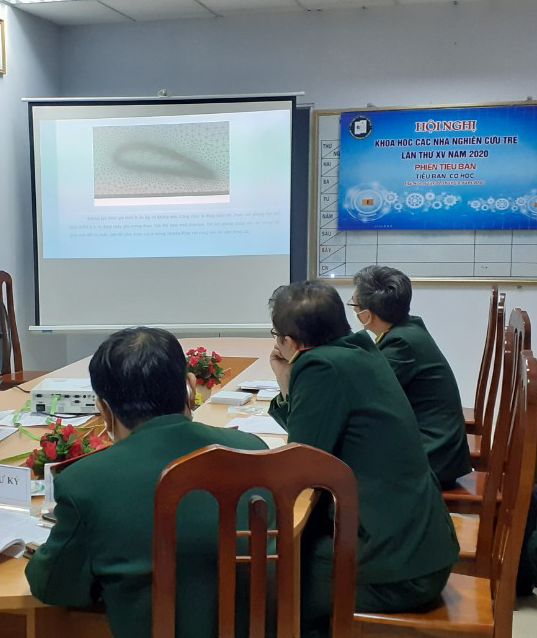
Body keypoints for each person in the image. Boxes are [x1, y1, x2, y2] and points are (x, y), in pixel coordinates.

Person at [25, 327, 269, 638]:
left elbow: (54, 587)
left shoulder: (85, 482)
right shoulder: (252, 450)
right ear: (190, 387)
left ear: (103, 408)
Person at [266, 281, 459, 636]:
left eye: (277, 336)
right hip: (420, 546)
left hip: (397, 568)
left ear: (290, 342)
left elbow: (300, 465)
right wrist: (286, 380)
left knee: (265, 580)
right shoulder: (362, 350)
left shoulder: (320, 366)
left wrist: (287, 376)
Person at [350, 265, 472, 489]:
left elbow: (366, 398)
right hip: (437, 447)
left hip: (433, 456)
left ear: (366, 314)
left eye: (354, 305)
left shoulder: (401, 343)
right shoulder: (407, 330)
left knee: (345, 468)